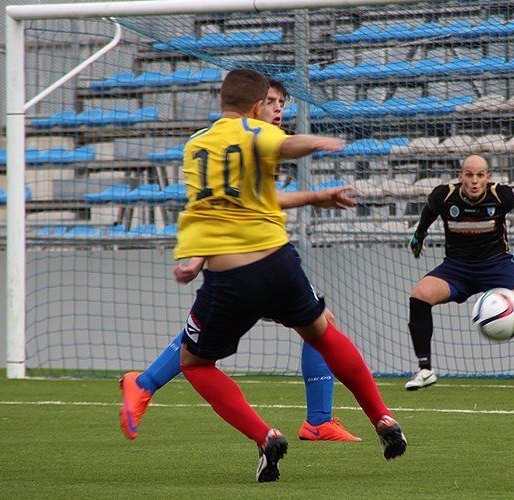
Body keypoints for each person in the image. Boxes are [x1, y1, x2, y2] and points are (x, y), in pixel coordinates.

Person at [171, 68, 406, 482]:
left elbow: (211, 209)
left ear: (220, 100)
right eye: (272, 104)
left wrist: (195, 256)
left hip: (231, 276)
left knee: (195, 363)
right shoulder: (257, 134)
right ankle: (382, 417)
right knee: (322, 332)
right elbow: (286, 145)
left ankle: (266, 436)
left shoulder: (195, 148)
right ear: (259, 106)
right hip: (279, 263)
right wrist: (318, 142)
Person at [119, 80, 361, 443]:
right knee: (208, 345)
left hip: (265, 256)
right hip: (246, 260)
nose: (278, 109)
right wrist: (198, 254)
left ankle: (144, 383)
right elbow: (213, 206)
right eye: (271, 102)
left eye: (282, 103)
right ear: (254, 106)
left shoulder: (263, 141)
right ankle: (318, 421)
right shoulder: (231, 141)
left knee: (205, 341)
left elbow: (255, 200)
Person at [404, 154, 514, 390]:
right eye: (469, 175)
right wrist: (419, 234)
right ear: (461, 177)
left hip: (496, 265)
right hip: (457, 267)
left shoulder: (501, 195)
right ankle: (425, 369)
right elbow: (429, 210)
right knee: (420, 295)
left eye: (480, 175)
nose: (474, 181)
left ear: (488, 178)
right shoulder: (444, 195)